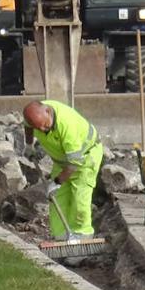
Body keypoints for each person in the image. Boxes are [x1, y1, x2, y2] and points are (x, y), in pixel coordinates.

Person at [23, 100, 104, 242]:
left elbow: (74, 163)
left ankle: (82, 239)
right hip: (63, 161)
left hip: (85, 158)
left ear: (48, 111)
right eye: (38, 128)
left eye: (45, 126)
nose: (42, 130)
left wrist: (57, 182)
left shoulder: (67, 125)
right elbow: (27, 125)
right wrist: (29, 145)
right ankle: (62, 239)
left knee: (79, 199)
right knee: (57, 198)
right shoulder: (35, 115)